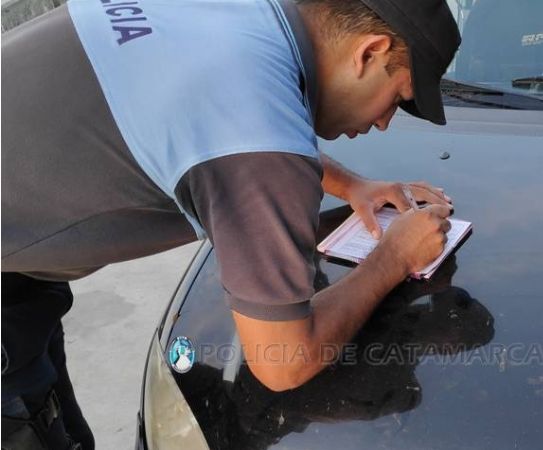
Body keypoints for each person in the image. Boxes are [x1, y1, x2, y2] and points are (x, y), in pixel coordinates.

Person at [0, 0, 461, 447]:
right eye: (397, 98)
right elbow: (284, 362)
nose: (384, 123)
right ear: (369, 52)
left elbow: (217, 115)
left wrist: (351, 184)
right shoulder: (259, 142)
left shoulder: (236, 16)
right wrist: (394, 256)